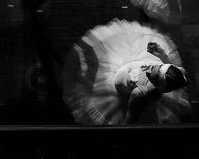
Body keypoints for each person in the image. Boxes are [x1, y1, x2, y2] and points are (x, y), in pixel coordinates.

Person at [61, 19, 191, 125]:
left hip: (119, 85)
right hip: (129, 67)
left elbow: (129, 123)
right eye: (155, 68)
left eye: (153, 77)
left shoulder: (139, 94)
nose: (149, 71)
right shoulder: (178, 71)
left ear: (160, 87)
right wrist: (161, 54)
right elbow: (167, 65)